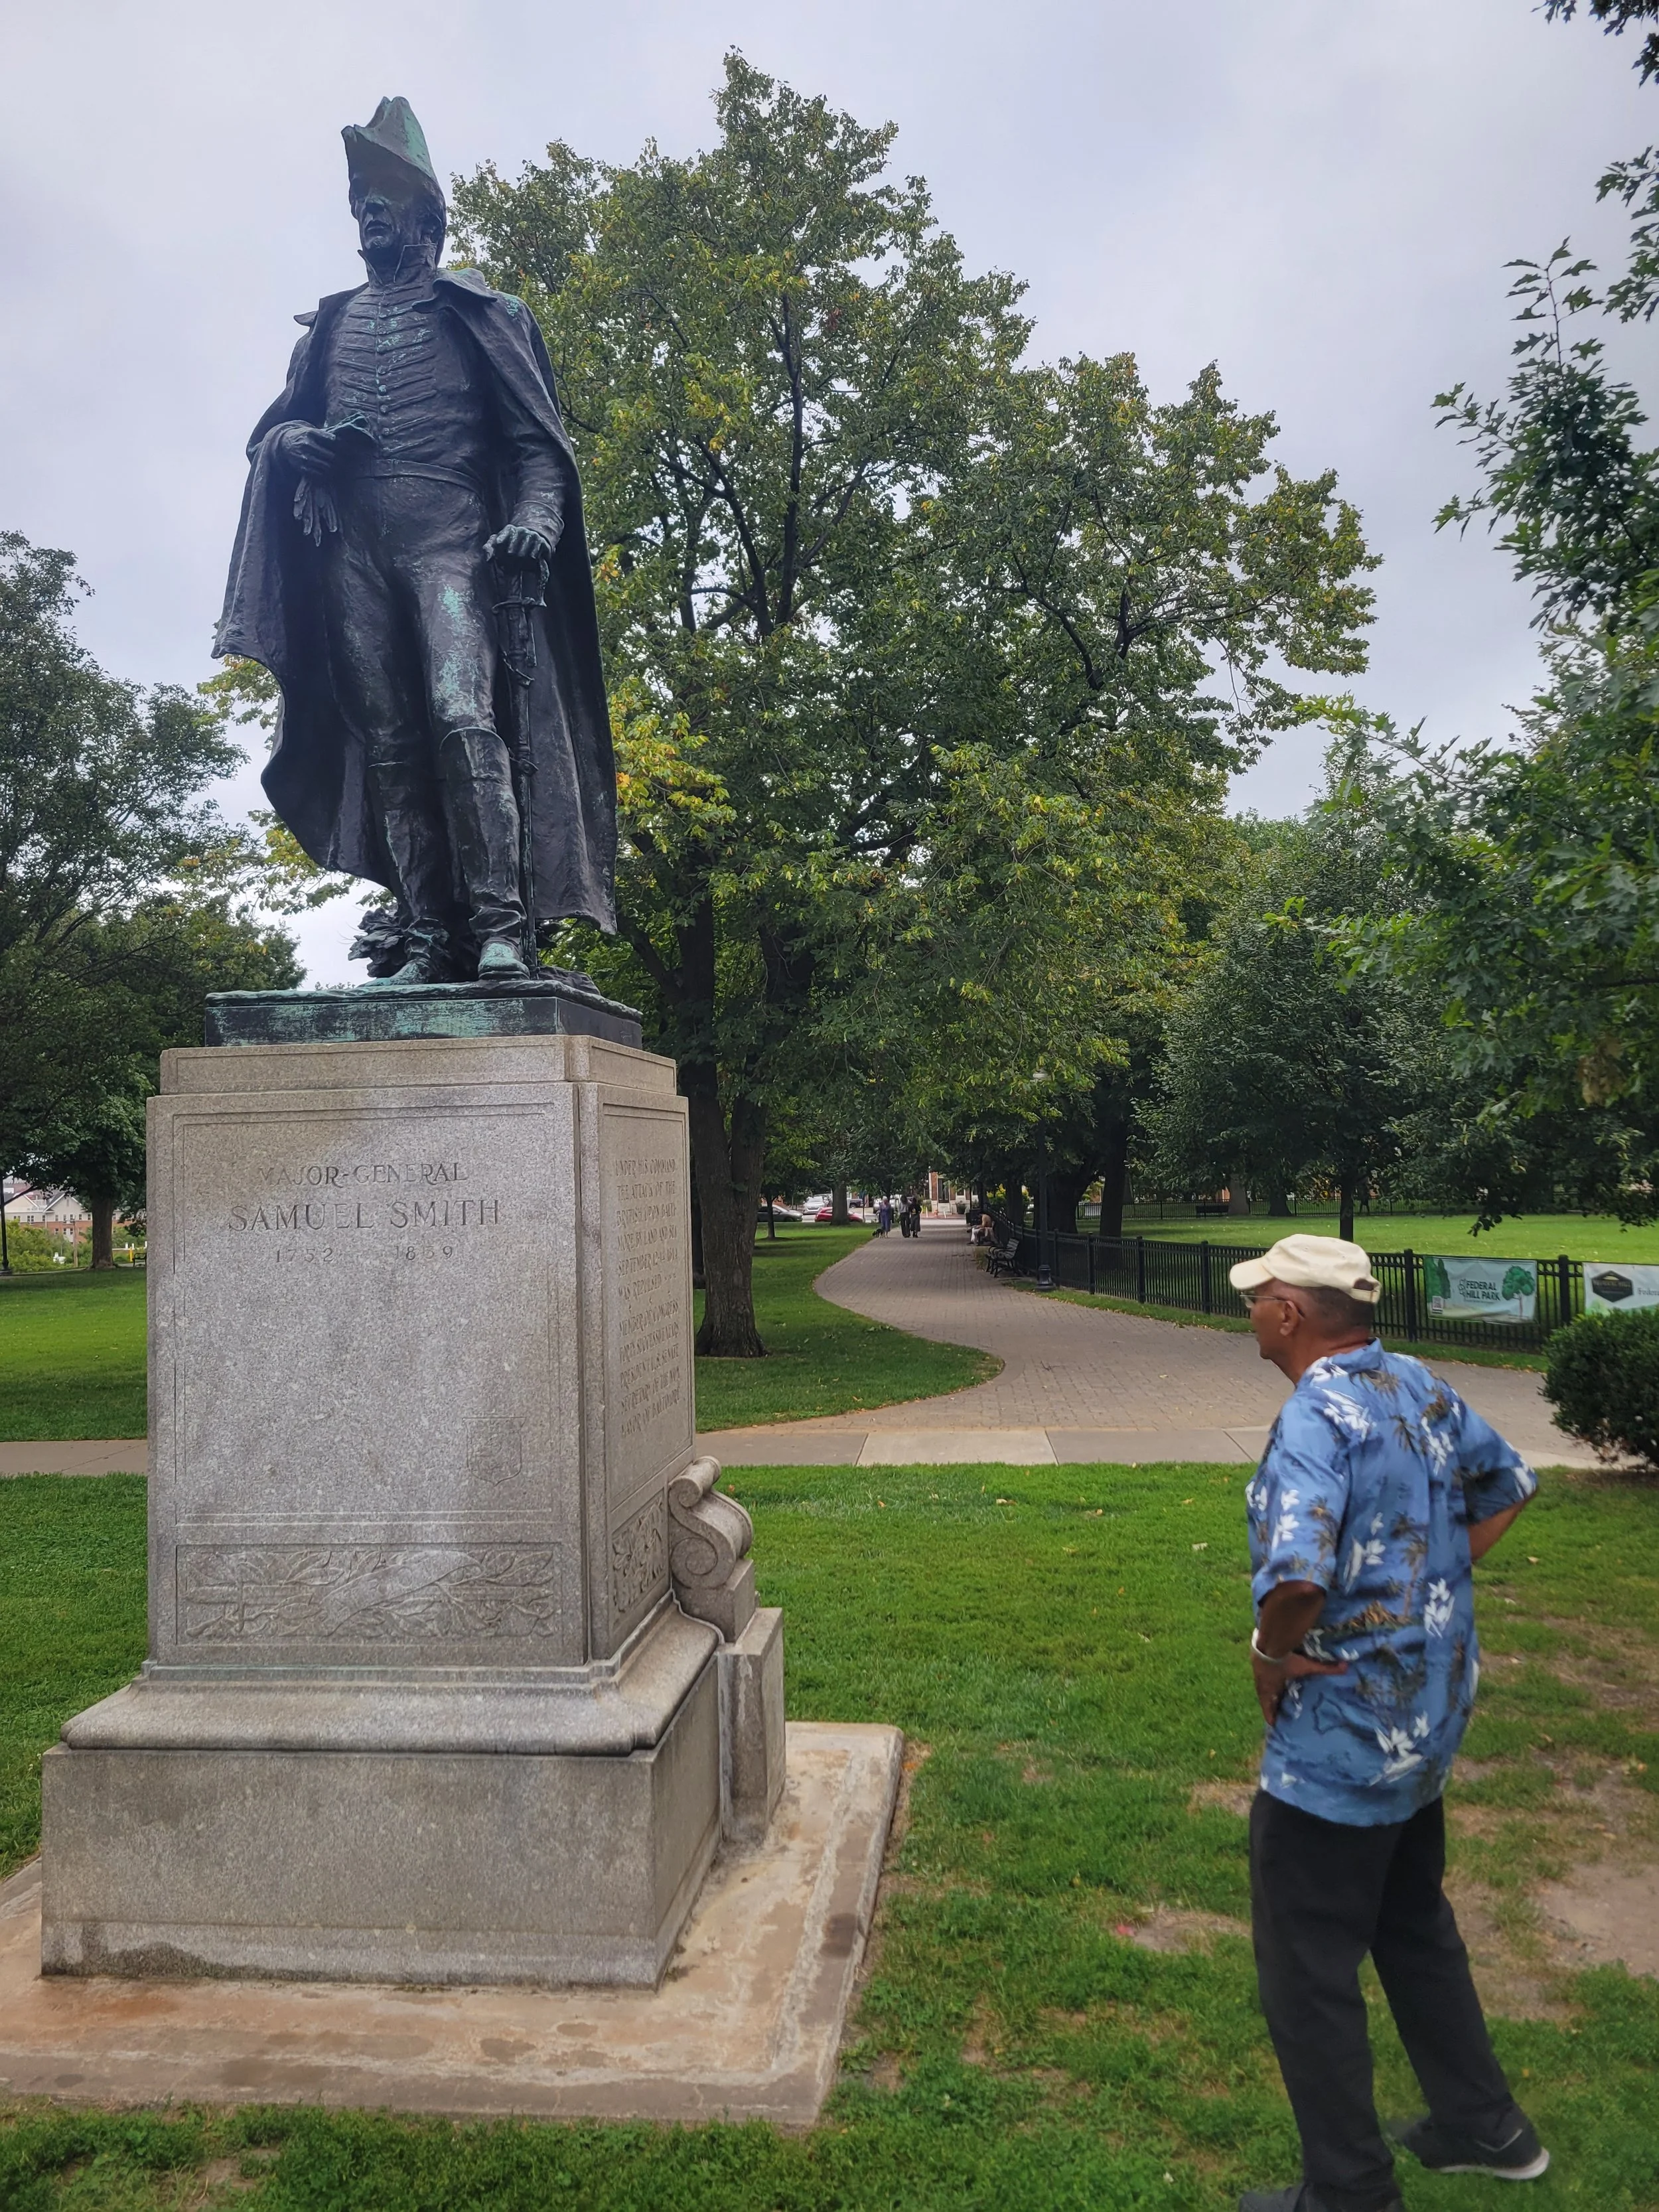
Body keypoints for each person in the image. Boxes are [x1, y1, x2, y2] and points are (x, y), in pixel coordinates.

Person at [216, 97, 616, 984]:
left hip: (454, 545)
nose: (366, 212)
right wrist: (296, 446)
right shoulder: (329, 326)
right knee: (389, 739)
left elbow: (537, 451)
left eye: (384, 199)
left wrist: (536, 522)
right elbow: (272, 437)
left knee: (464, 720)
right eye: (359, 200)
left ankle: (502, 928)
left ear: (427, 219)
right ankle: (428, 931)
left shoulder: (483, 312)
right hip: (352, 554)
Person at [1228, 1234, 1546, 2212]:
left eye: (1259, 1296)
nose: (1250, 1310)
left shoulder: (1317, 1420)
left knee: (1306, 1969)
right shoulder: (1414, 1383)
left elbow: (1298, 1576)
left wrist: (1271, 1655)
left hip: (1343, 1746)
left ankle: (1350, 2193)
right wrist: (1422, 1595)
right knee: (1412, 1922)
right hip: (1426, 1720)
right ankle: (1484, 2125)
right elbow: (1507, 1486)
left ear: (1290, 1313)